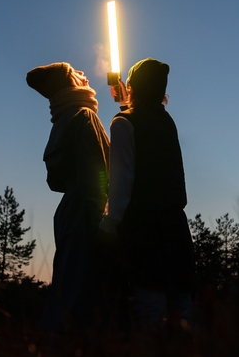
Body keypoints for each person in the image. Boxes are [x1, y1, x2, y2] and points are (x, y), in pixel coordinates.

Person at [99, 58, 195, 328]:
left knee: (150, 310)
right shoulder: (167, 121)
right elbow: (144, 121)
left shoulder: (122, 123)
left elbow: (122, 182)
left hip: (144, 230)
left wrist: (108, 225)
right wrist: (127, 100)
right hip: (176, 229)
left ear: (132, 87)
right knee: (182, 312)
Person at [26, 62, 111, 333]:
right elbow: (97, 173)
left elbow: (55, 181)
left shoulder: (61, 123)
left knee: (68, 284)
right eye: (76, 72)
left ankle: (54, 351)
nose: (84, 74)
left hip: (68, 213)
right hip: (88, 212)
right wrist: (105, 221)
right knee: (88, 291)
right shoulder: (84, 116)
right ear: (71, 84)